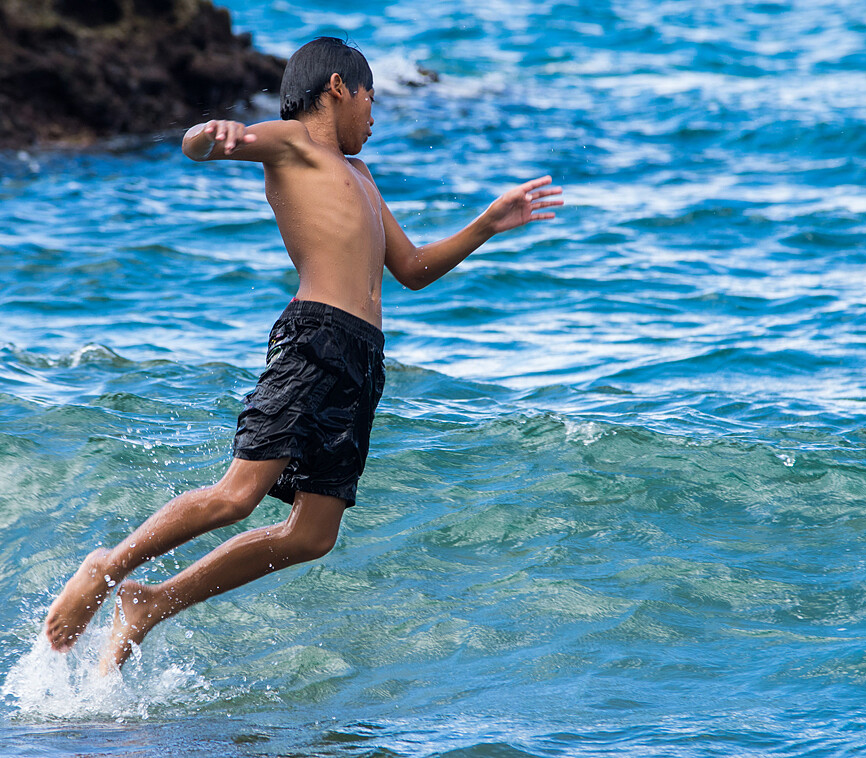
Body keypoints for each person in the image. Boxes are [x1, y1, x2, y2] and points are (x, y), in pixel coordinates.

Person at [43, 36, 563, 672]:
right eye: (371, 99)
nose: (373, 117)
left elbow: (412, 269)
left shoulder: (361, 176)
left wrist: (486, 223)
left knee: (313, 534)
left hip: (361, 357)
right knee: (238, 496)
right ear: (338, 87)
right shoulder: (291, 142)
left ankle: (150, 603)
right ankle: (106, 569)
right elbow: (197, 147)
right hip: (315, 339)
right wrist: (210, 135)